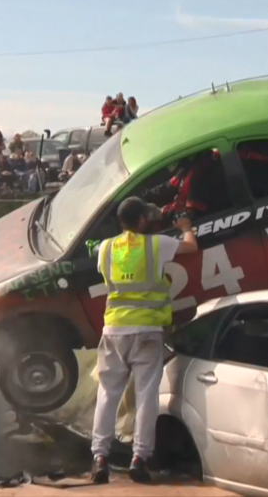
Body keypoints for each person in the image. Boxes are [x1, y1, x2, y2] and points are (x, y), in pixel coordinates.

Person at [89, 196, 198, 485]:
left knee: (107, 394)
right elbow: (191, 246)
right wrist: (186, 226)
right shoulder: (156, 244)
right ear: (141, 220)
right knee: (147, 395)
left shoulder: (106, 248)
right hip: (147, 330)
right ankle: (140, 457)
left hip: (113, 329)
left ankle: (100, 457)